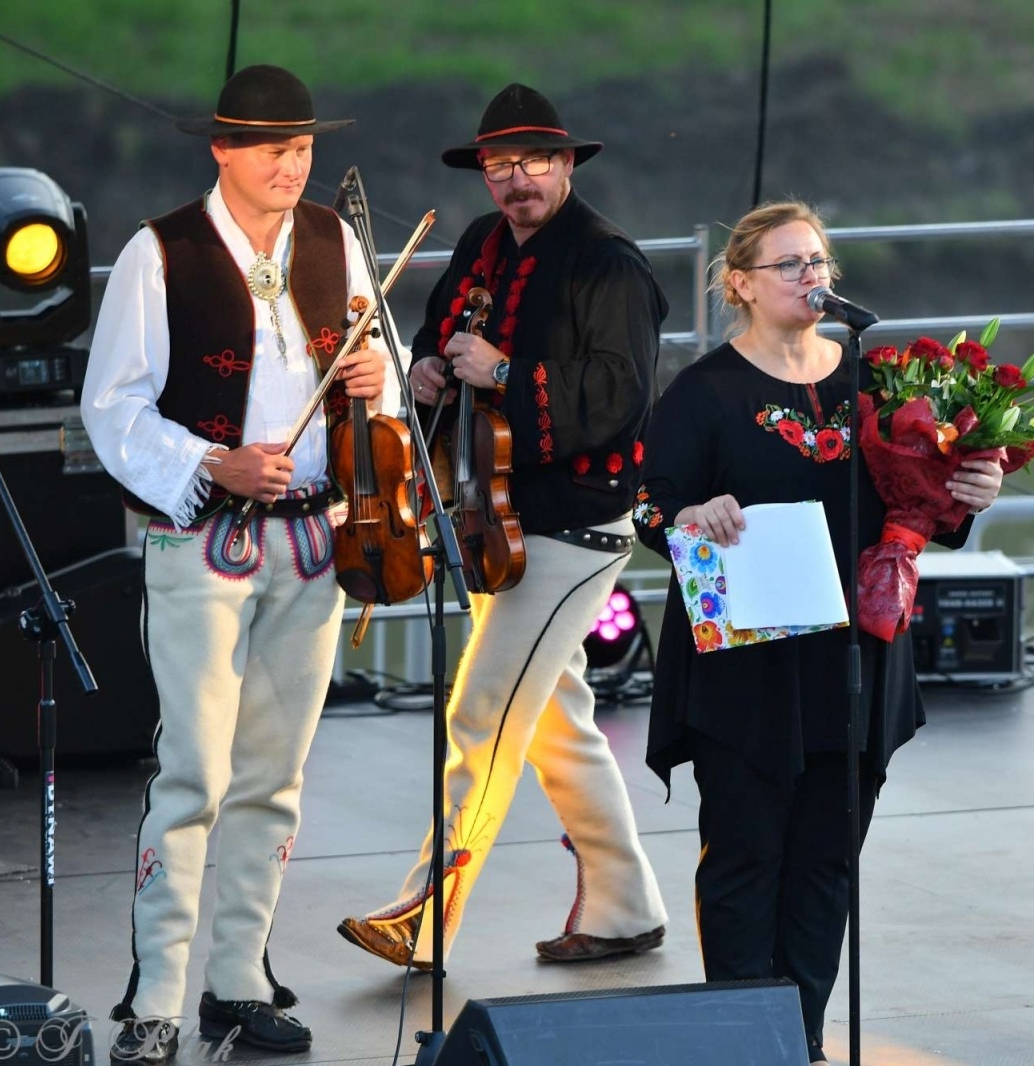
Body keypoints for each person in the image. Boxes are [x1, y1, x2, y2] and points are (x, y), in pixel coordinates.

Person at [634, 200, 1005, 1064]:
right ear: (740, 284)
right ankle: (741, 1039)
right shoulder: (704, 391)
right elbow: (652, 503)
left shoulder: (873, 382)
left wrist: (968, 497)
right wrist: (693, 511)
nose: (813, 278)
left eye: (820, 262)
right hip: (749, 673)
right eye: (790, 265)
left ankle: (798, 1036)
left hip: (855, 658)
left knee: (828, 864)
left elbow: (923, 504)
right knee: (745, 858)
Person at [80, 65, 389, 1064]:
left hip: (313, 534)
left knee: (274, 775)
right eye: (271, 149)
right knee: (194, 772)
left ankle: (238, 980)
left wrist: (376, 378)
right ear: (222, 149)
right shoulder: (158, 252)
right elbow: (113, 406)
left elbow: (377, 387)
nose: (291, 165)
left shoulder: (336, 242)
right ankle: (155, 997)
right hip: (201, 540)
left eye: (301, 148)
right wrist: (213, 460)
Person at [337, 83, 668, 970]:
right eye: (498, 166)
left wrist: (509, 371)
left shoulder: (612, 265)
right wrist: (431, 372)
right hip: (497, 519)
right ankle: (625, 904)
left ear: (565, 166)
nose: (515, 181)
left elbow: (620, 397)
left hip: (572, 531)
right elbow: (444, 335)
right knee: (557, 723)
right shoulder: (484, 243)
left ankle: (423, 914)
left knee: (480, 714)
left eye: (532, 163)